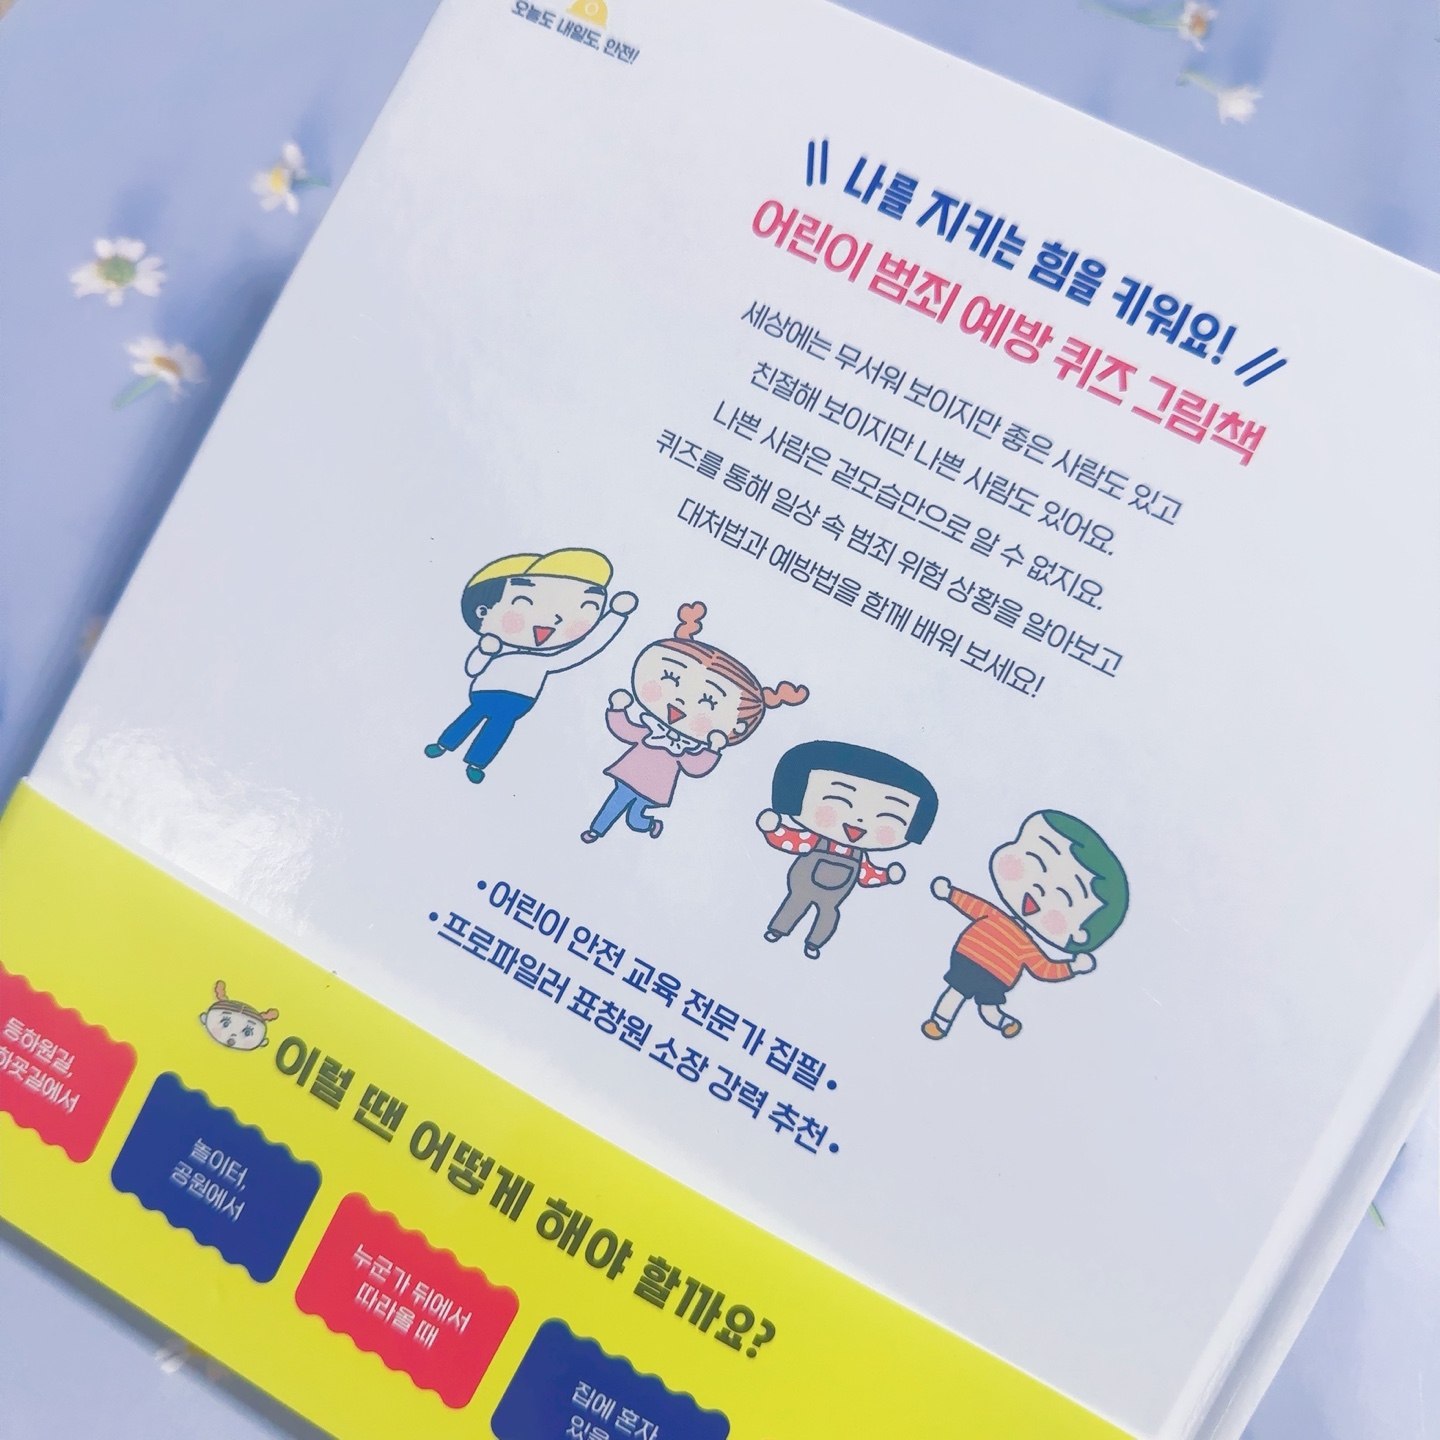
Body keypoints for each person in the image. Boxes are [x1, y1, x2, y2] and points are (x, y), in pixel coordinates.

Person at [582, 602, 807, 842]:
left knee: (635, 818)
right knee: (616, 801)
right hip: (628, 774)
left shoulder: (684, 748)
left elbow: (695, 766)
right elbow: (625, 730)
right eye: (670, 678)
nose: (679, 701)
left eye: (709, 701)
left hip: (654, 788)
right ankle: (596, 831)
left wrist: (713, 748)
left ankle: (649, 824)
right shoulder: (650, 731)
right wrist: (617, 709)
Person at [424, 549, 636, 784]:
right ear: (483, 611)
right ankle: (444, 744)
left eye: (586, 606)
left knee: (497, 729)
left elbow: (584, 649)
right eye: (524, 602)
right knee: (470, 717)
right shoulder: (498, 649)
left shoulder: (545, 661)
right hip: (485, 692)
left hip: (518, 699)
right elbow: (473, 669)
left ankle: (476, 762)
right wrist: (484, 651)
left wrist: (615, 616)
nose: (554, 618)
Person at [921, 809, 1129, 1042]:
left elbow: (1044, 968)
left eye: (1063, 897)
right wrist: (950, 894)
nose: (1039, 890)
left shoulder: (1026, 947)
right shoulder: (997, 918)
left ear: (1079, 933)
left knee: (986, 1007)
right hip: (969, 960)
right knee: (957, 993)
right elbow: (973, 906)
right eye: (1035, 862)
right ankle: (939, 1023)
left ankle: (1003, 1023)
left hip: (996, 976)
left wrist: (1073, 967)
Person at [756, 740, 938, 959]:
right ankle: (778, 929)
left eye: (888, 816)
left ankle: (814, 943)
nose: (859, 819)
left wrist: (886, 876)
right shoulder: (816, 841)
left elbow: (866, 875)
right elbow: (793, 840)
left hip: (833, 897)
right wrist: (773, 829)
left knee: (828, 914)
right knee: (796, 902)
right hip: (803, 885)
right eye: (839, 799)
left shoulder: (858, 856)